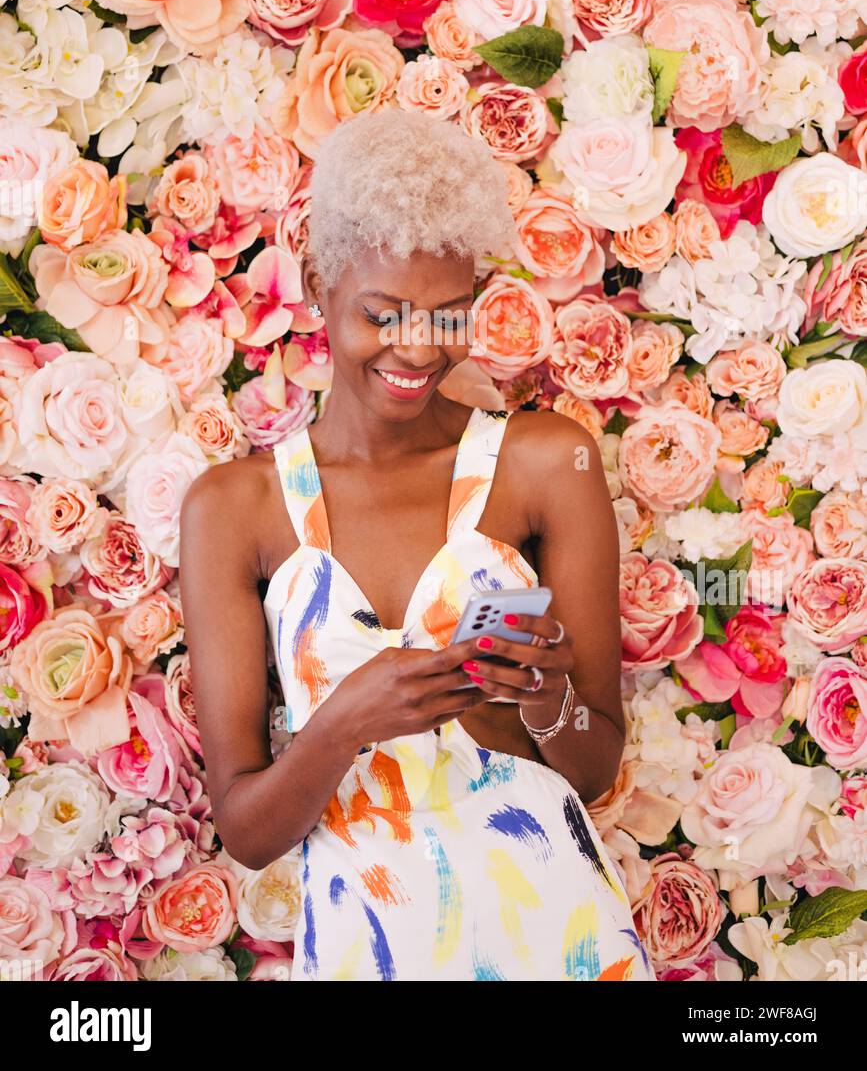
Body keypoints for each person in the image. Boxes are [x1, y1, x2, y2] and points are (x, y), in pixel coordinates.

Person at [179, 110, 656, 983]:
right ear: (320, 281)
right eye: (382, 314)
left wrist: (546, 695)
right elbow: (246, 833)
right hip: (369, 949)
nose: (415, 348)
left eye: (446, 316)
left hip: (558, 934)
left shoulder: (545, 461)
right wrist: (342, 727)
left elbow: (589, 771)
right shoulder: (233, 508)